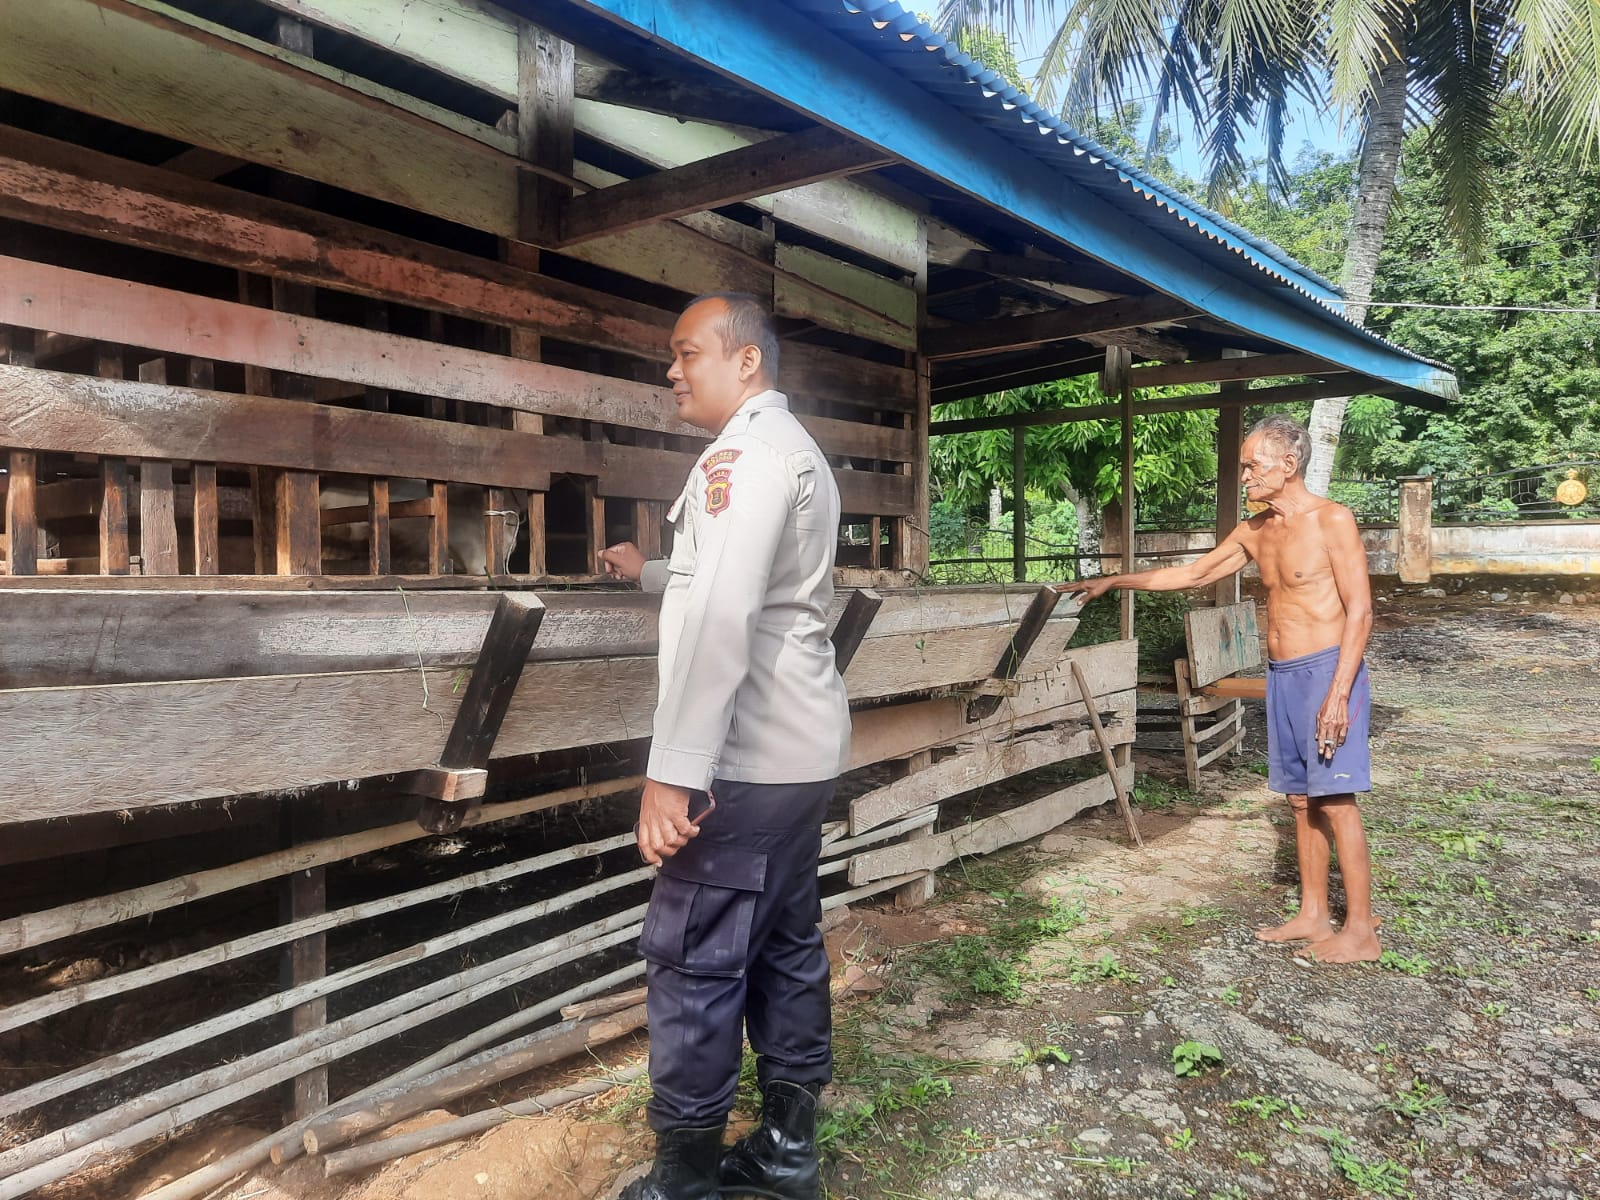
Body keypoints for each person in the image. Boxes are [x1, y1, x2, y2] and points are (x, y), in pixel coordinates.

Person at [598, 293, 851, 1200]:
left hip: (740, 763)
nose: (673, 371)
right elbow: (744, 580)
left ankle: (688, 1178)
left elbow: (723, 611)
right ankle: (787, 1152)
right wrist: (654, 570)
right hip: (800, 752)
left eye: (687, 353)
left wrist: (673, 772)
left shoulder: (738, 457)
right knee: (785, 941)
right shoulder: (794, 451)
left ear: (746, 363)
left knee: (697, 958)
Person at [1061, 415, 1380, 964]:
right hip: (1282, 673)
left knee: (1337, 800)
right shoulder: (1255, 530)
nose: (1245, 476)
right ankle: (1312, 914)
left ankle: (1360, 931)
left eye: (1253, 465)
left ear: (1289, 463)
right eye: (1242, 467)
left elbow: (1362, 612)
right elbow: (1192, 575)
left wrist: (1338, 694)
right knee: (1302, 798)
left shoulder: (1333, 520)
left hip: (1329, 672)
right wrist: (1115, 580)